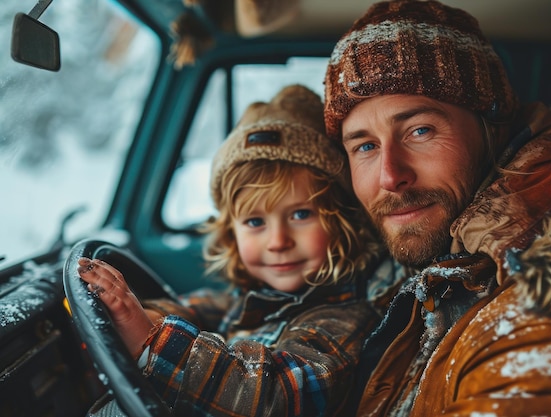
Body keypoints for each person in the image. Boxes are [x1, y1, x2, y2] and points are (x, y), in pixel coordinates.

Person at [322, 1, 551, 416]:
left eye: (420, 130)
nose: (389, 176)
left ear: (494, 129)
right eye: (365, 146)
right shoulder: (427, 262)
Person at [77, 84, 385, 417]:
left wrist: (150, 342)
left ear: (341, 223)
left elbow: (276, 395)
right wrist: (148, 318)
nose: (278, 241)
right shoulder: (260, 298)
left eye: (300, 215)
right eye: (255, 222)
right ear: (230, 232)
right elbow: (205, 308)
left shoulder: (343, 320)